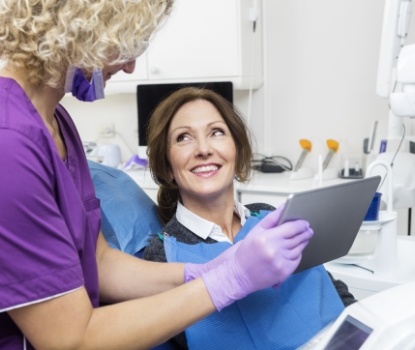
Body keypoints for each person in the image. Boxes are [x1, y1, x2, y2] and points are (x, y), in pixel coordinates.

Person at [0, 1, 315, 349]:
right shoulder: (9, 145)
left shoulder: (57, 122)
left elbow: (99, 261)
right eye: (125, 43)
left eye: (217, 132)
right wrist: (229, 279)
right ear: (81, 29)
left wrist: (210, 268)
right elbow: (71, 340)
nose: (132, 65)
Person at [143, 86, 356, 349]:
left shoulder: (271, 215)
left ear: (238, 150)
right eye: (184, 137)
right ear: (166, 166)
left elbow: (332, 290)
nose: (203, 149)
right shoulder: (160, 256)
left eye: (217, 132)